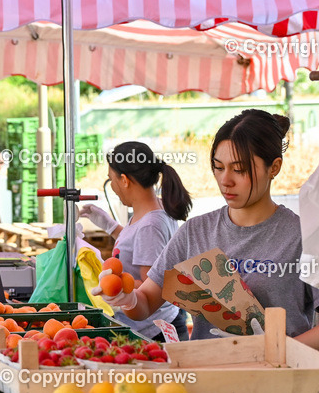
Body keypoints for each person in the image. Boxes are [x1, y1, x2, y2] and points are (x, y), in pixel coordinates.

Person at [96, 110, 317, 340]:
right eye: (219, 167)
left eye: (239, 169)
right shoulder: (195, 233)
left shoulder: (303, 237)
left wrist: (281, 350)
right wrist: (127, 298)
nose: (225, 180)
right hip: (209, 373)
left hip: (280, 374)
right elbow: (146, 303)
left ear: (274, 167)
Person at [79, 142, 192, 342]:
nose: (111, 186)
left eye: (110, 179)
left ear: (124, 180)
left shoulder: (150, 225)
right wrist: (111, 226)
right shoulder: (154, 210)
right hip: (153, 324)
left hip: (154, 330)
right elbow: (138, 246)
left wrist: (115, 286)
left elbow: (153, 284)